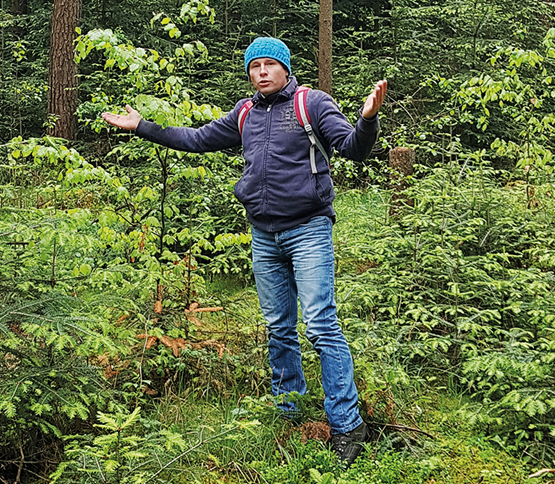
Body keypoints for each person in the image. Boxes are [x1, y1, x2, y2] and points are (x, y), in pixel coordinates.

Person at [102, 37, 387, 467]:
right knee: (278, 326)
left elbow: (352, 148)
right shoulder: (246, 112)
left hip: (308, 229)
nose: (262, 72)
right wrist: (143, 126)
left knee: (321, 324)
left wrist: (367, 120)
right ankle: (289, 410)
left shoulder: (312, 104)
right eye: (256, 66)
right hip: (264, 235)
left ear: (286, 69)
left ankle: (347, 425)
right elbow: (197, 139)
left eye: (271, 64)